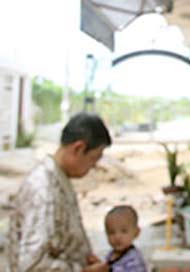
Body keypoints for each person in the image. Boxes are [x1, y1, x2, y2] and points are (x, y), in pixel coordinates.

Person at [8, 112, 112, 272]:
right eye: (93, 159)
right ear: (78, 148)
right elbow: (32, 264)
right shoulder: (43, 190)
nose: (93, 166)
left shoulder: (57, 179)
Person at [103, 205, 147, 271]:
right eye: (111, 232)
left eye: (124, 231)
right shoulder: (111, 254)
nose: (117, 237)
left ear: (136, 233)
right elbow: (105, 266)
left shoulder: (134, 258)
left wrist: (108, 270)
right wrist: (96, 263)